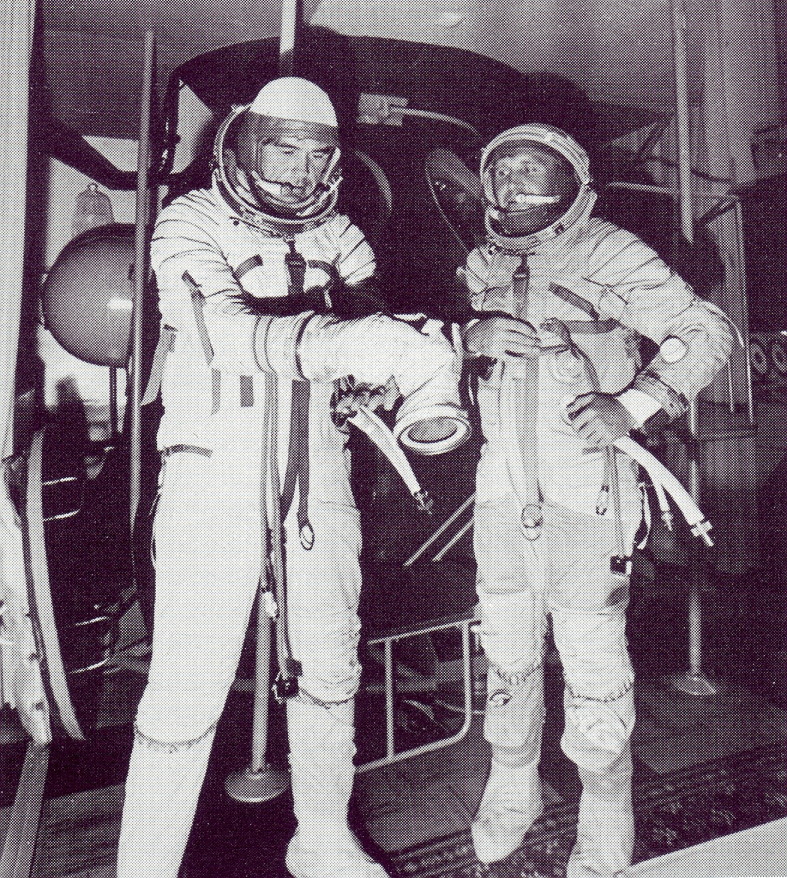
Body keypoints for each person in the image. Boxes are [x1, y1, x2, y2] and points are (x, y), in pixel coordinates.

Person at [116, 77, 469, 878]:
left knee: (331, 667)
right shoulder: (189, 223)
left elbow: (370, 324)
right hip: (214, 478)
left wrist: (404, 363)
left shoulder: (341, 236)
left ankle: (322, 841)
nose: (301, 171)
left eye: (317, 155)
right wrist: (350, 345)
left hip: (319, 479)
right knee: (184, 692)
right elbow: (226, 331)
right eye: (283, 150)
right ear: (243, 144)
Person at [457, 123, 734, 877]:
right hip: (500, 491)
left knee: (591, 654)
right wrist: (471, 338)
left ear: (573, 184)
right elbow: (454, 358)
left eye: (532, 169)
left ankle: (607, 806)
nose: (513, 184)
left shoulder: (610, 252)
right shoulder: (481, 263)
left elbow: (706, 330)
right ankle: (511, 782)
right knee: (506, 648)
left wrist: (633, 404)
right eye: (502, 170)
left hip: (589, 490)